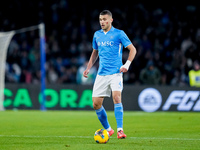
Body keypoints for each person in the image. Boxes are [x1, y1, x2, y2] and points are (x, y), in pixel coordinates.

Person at [83, 10, 137, 139]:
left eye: (105, 19)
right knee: (96, 104)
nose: (102, 22)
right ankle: (109, 129)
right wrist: (88, 67)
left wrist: (126, 65)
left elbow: (132, 49)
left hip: (116, 73)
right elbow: (95, 52)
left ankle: (120, 130)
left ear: (111, 20)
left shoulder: (119, 34)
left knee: (117, 97)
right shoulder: (97, 35)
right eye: (100, 19)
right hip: (102, 74)